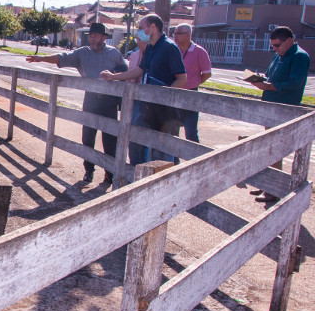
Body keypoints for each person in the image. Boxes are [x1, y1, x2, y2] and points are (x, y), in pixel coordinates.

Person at [26, 22, 128, 184]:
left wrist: (116, 78)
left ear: (104, 37)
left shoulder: (114, 54)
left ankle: (110, 173)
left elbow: (125, 73)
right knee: (87, 137)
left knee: (110, 139)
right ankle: (89, 170)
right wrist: (40, 58)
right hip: (91, 100)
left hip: (109, 101)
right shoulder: (82, 53)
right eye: (90, 36)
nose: (92, 39)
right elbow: (61, 58)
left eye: (95, 36)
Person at [100, 14, 187, 165]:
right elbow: (140, 71)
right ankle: (134, 179)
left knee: (160, 152)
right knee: (136, 142)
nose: (139, 32)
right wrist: (113, 77)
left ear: (152, 27)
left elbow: (182, 78)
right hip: (147, 106)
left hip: (163, 110)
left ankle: (158, 185)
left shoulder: (169, 48)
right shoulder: (151, 49)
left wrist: (164, 96)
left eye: (141, 28)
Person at [248, 25, 310, 202]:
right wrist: (260, 79)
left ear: (289, 41)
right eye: (273, 46)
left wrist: (268, 86)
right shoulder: (278, 55)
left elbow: (294, 84)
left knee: (276, 148)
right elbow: (270, 75)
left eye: (277, 45)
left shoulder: (299, 57)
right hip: (270, 106)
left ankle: (274, 189)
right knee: (269, 146)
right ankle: (268, 184)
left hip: (284, 108)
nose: (275, 49)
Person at [172, 23, 212, 143]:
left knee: (190, 132)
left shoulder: (199, 52)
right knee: (172, 130)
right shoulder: (173, 50)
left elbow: (207, 73)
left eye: (178, 33)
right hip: (174, 93)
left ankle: (196, 160)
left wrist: (194, 83)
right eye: (174, 33)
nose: (175, 36)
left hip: (191, 95)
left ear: (188, 35)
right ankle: (174, 161)